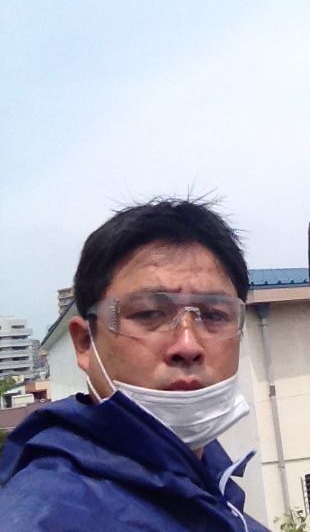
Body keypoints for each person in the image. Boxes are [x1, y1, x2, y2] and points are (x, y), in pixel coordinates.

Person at [0, 199, 269, 531]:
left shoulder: (210, 484)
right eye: (148, 314)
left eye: (214, 315)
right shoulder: (46, 517)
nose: (188, 346)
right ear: (85, 343)